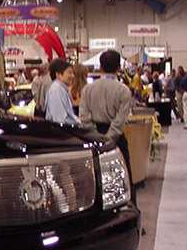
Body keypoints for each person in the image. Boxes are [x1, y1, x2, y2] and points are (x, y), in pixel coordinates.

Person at [80, 50, 133, 180]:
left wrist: (96, 136)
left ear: (101, 67)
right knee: (121, 179)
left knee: (95, 179)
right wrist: (108, 139)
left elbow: (84, 117)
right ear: (119, 68)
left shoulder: (88, 89)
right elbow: (120, 120)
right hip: (116, 139)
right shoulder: (123, 90)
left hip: (93, 137)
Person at [45, 59, 78, 126]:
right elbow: (59, 119)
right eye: (69, 72)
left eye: (73, 73)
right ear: (58, 75)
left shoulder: (61, 89)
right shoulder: (56, 90)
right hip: (62, 130)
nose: (73, 76)